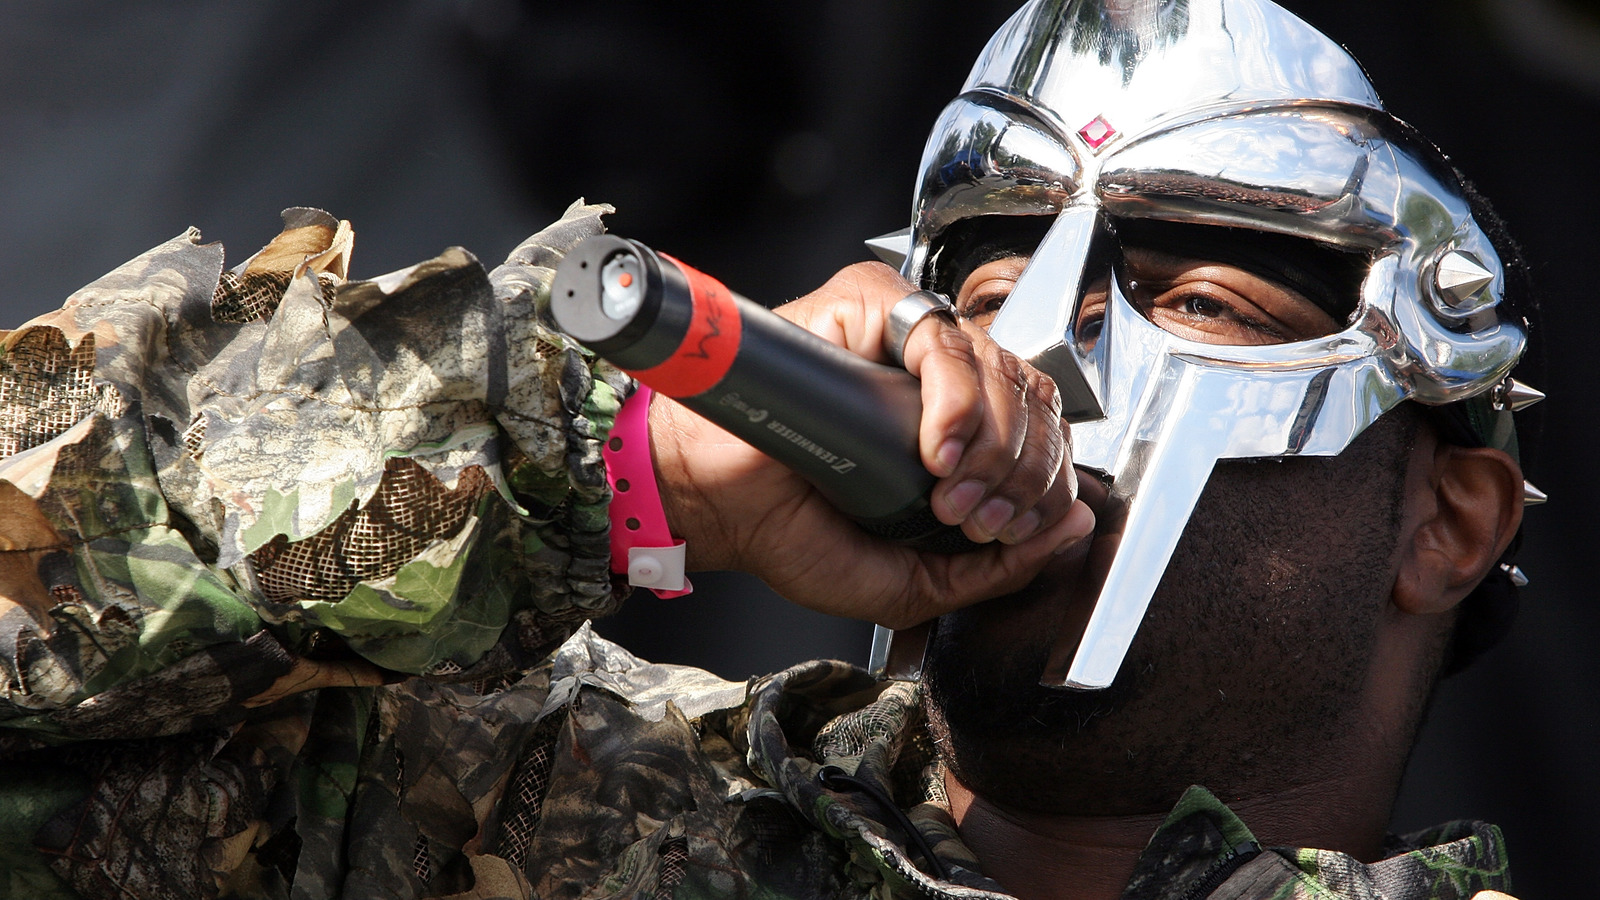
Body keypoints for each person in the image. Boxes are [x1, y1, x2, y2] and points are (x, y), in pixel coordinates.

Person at [0, 1, 1537, 899]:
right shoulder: (519, 813)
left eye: (1198, 299)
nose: (1042, 360)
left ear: (1446, 526)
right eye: (986, 300)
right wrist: (615, 463)